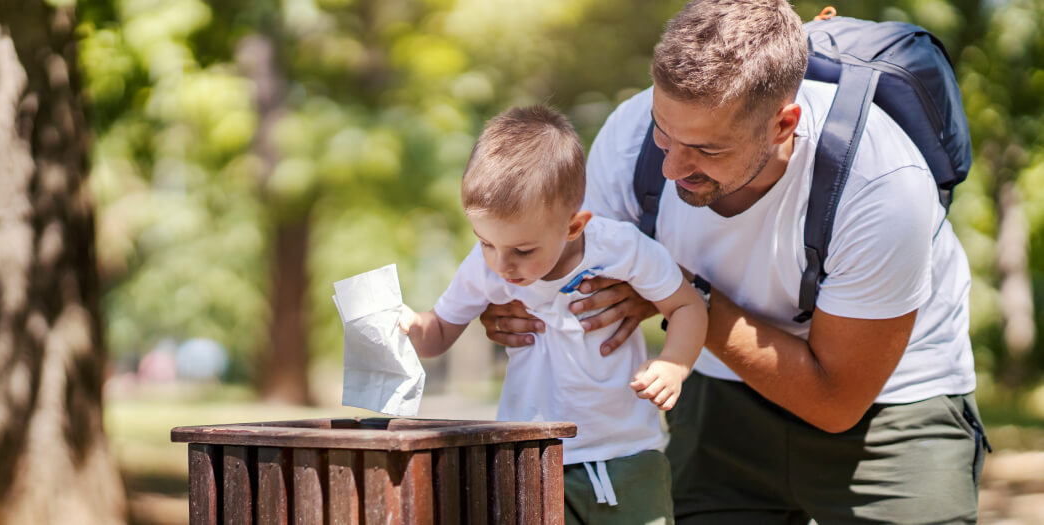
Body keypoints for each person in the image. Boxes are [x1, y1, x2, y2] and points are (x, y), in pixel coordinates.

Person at [478, 1, 987, 523]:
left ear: (782, 124)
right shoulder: (631, 138)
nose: (673, 167)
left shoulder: (882, 186)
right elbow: (580, 278)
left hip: (892, 410)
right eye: (664, 132)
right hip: (717, 399)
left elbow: (835, 401)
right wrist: (517, 299)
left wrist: (676, 292)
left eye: (706, 149)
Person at [401, 105, 708, 524]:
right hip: (529, 455)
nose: (501, 264)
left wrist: (674, 364)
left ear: (574, 226)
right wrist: (405, 326)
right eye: (485, 242)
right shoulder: (485, 267)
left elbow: (686, 305)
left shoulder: (620, 248)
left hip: (627, 456)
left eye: (522, 251)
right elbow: (436, 333)